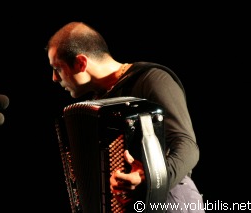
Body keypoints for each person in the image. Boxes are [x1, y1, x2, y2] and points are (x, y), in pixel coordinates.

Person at [46, 21, 205, 213]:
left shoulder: (151, 79)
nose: (55, 78)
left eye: (58, 68)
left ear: (81, 62)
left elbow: (187, 145)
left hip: (170, 202)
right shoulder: (98, 105)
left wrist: (150, 179)